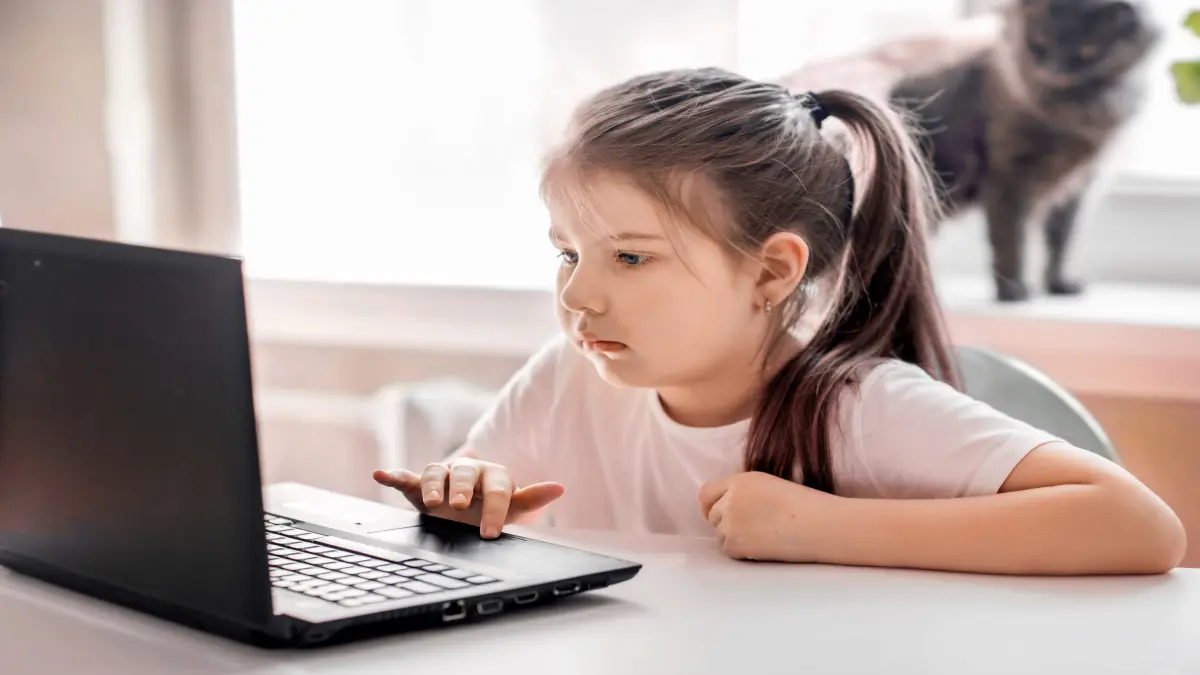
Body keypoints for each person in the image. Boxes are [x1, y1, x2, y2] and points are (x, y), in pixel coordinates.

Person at [375, 67, 1186, 575]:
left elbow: (1141, 527)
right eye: (566, 252)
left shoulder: (858, 406)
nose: (578, 296)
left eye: (630, 257)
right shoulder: (568, 374)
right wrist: (468, 493)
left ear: (770, 272)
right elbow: (485, 479)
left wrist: (821, 527)